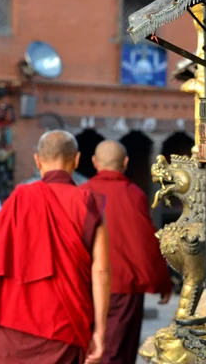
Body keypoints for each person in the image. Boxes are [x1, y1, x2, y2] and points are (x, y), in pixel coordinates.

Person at [0, 130, 110, 364]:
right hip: (64, 328)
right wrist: (100, 332)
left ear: (37, 159)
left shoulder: (18, 198)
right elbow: (101, 272)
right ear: (76, 160)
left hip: (11, 327)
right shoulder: (88, 204)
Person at [80, 140, 172, 364]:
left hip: (87, 286)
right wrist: (163, 281)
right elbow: (146, 242)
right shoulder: (134, 194)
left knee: (86, 351)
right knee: (117, 353)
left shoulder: (82, 193)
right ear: (125, 163)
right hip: (125, 291)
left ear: (94, 162)